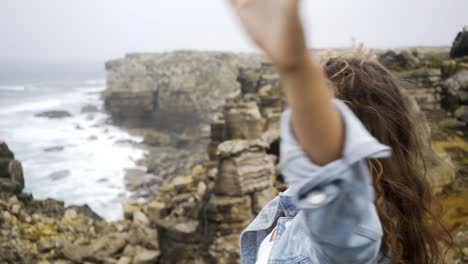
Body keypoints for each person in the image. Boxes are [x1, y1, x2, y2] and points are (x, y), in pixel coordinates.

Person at [229, 0, 449, 263]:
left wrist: (296, 65)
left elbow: (331, 172)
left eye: (319, 115)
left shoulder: (343, 235)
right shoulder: (371, 212)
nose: (296, 120)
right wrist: (364, 80)